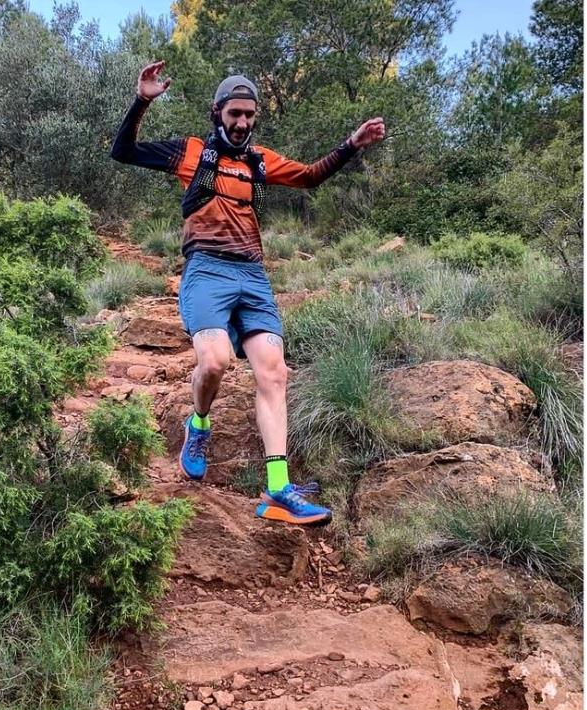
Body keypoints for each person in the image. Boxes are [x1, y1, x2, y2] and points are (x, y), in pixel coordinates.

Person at [111, 60, 385, 525]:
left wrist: (350, 145)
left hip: (253, 277)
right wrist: (141, 101)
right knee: (215, 361)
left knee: (274, 373)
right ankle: (199, 423)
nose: (241, 122)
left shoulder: (260, 160)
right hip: (207, 271)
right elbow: (124, 152)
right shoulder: (192, 153)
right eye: (234, 113)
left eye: (249, 115)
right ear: (217, 112)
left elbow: (310, 176)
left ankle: (278, 489)